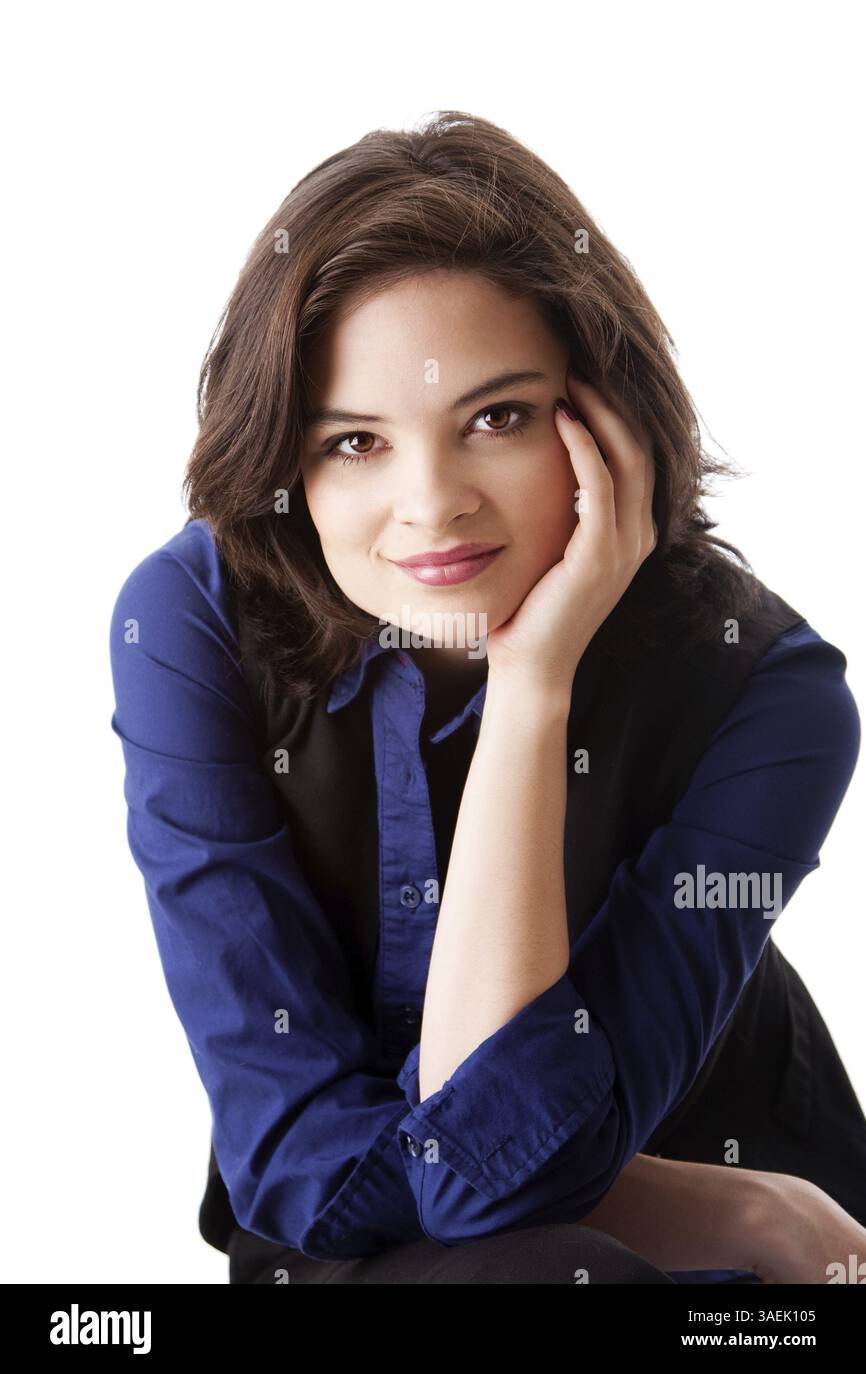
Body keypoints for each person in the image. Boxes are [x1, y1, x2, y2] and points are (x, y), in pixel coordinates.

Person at [109, 111, 866, 1285]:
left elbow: (498, 1169)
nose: (431, 503)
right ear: (285, 465)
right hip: (382, 1244)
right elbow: (294, 1162)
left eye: (496, 418)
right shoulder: (190, 625)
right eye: (355, 442)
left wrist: (531, 686)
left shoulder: (770, 696)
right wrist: (713, 1212)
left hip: (766, 1240)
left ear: (607, 420)